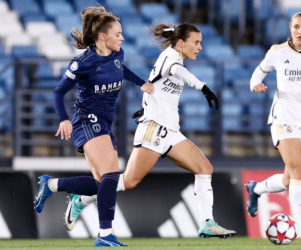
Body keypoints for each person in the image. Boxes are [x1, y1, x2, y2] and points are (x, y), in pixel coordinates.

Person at [62, 22, 236, 239]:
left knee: (204, 168)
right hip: (154, 128)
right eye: (196, 42)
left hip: (170, 130)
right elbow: (176, 71)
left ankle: (207, 223)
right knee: (128, 181)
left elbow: (162, 82)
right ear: (181, 43)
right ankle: (81, 199)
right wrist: (202, 86)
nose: (200, 47)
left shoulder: (175, 56)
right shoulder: (170, 58)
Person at [33, 6, 151, 247]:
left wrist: (141, 83)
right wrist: (63, 119)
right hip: (86, 119)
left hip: (105, 121)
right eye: (118, 34)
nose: (122, 37)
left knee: (102, 184)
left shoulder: (118, 54)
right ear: (102, 37)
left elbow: (120, 70)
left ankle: (52, 185)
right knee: (111, 174)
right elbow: (59, 92)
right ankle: (105, 234)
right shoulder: (83, 62)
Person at [246, 12, 301, 243]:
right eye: (296, 27)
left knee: (290, 179)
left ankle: (256, 189)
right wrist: (254, 85)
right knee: (298, 169)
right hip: (283, 116)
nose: (300, 31)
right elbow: (258, 73)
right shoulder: (277, 52)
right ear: (290, 28)